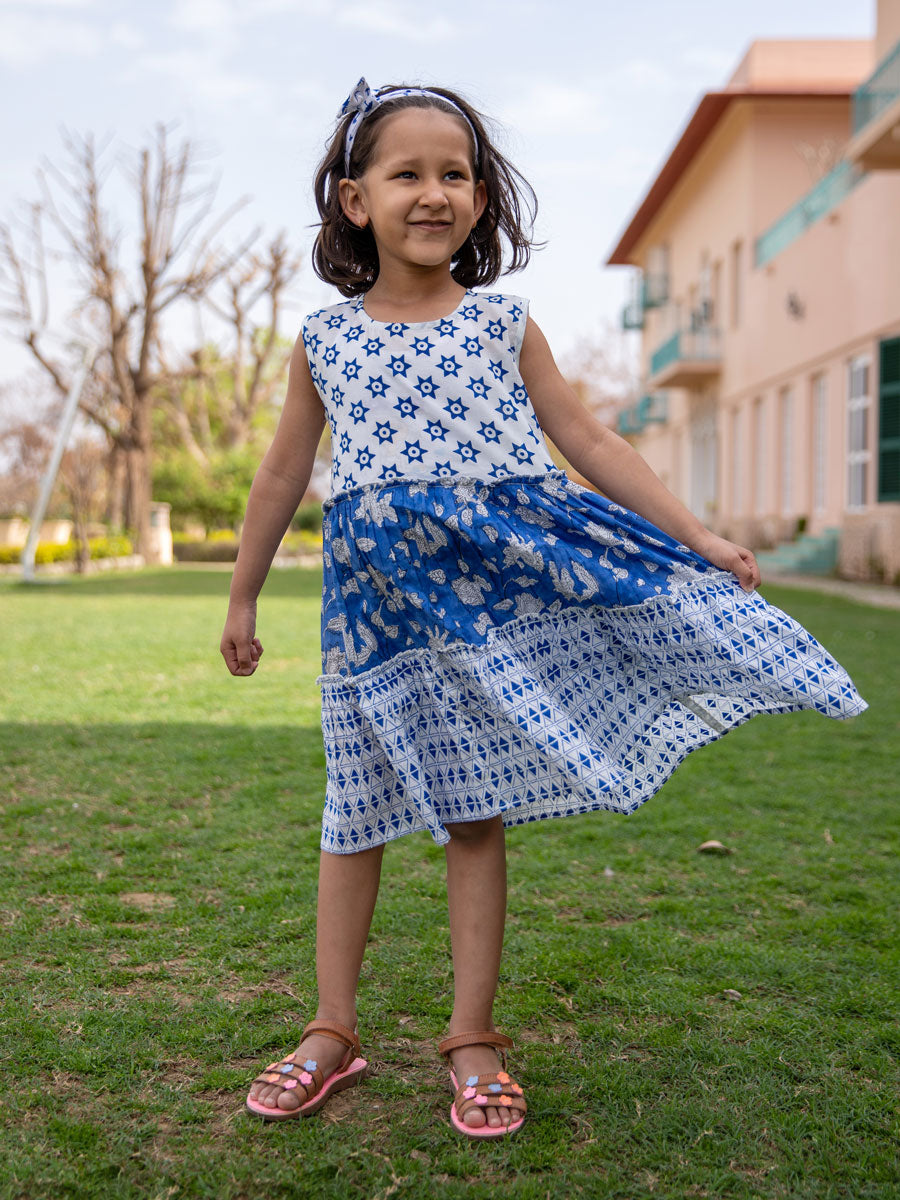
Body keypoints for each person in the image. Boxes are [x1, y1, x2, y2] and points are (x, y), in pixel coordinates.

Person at [220, 78, 867, 1138]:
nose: (434, 192)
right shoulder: (322, 341)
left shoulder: (503, 324)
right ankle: (331, 1029)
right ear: (352, 200)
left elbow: (592, 440)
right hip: (372, 626)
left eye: (456, 174)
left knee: (474, 815)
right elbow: (282, 473)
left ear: (480, 200)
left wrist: (696, 536)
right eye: (407, 173)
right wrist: (243, 595)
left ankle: (471, 1038)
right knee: (353, 815)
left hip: (489, 608)